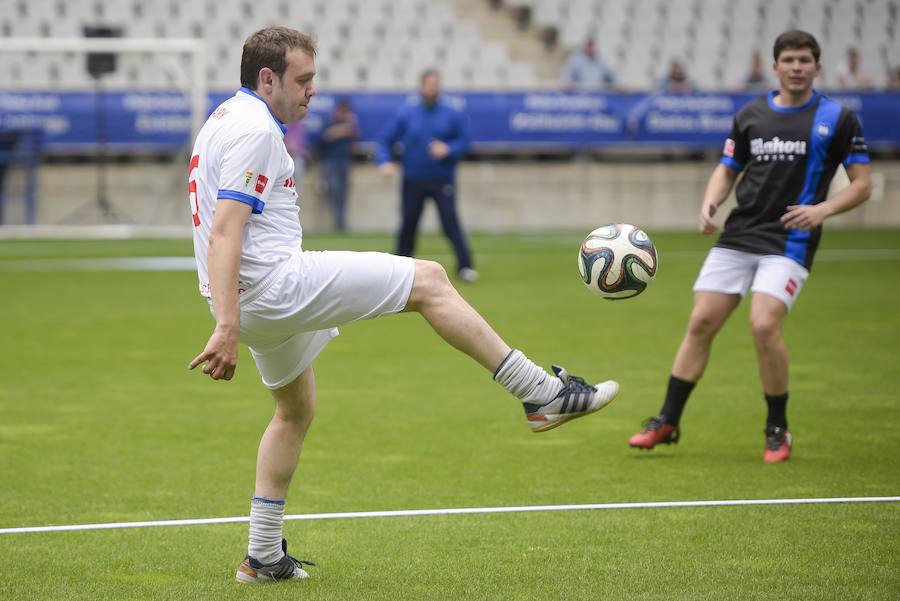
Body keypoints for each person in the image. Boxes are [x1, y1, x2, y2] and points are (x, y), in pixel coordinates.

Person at [187, 27, 619, 584]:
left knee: (295, 410)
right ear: (267, 78)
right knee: (430, 281)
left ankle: (263, 556)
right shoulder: (255, 131)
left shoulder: (222, 119)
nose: (312, 91)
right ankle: (542, 394)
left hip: (250, 296)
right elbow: (226, 232)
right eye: (304, 79)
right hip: (271, 288)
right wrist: (227, 325)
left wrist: (228, 314)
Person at [627, 30, 872, 462]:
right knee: (701, 321)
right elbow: (728, 168)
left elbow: (863, 185)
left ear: (817, 66)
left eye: (804, 60)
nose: (797, 67)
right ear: (775, 66)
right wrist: (710, 201)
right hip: (739, 235)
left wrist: (823, 210)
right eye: (789, 60)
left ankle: (777, 429)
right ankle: (667, 421)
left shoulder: (838, 118)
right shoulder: (751, 114)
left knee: (763, 326)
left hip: (790, 239)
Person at [376, 69, 478, 283]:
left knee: (450, 222)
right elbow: (385, 140)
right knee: (408, 224)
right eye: (428, 83)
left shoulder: (452, 113)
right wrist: (384, 161)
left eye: (435, 83)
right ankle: (399, 270)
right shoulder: (407, 113)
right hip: (413, 179)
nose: (431, 87)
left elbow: (465, 141)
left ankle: (466, 266)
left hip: (442, 179)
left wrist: (448, 149)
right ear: (421, 86)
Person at [318, 97, 358, 232]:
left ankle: (342, 224)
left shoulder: (350, 125)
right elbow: (323, 139)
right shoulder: (329, 123)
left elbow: (356, 140)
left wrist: (350, 127)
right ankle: (339, 224)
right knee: (334, 191)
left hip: (344, 161)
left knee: (343, 192)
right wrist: (339, 130)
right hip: (330, 161)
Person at [283, 118, 309, 192]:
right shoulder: (285, 126)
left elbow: (304, 145)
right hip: (287, 157)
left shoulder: (302, 127)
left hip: (298, 157)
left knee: (297, 181)